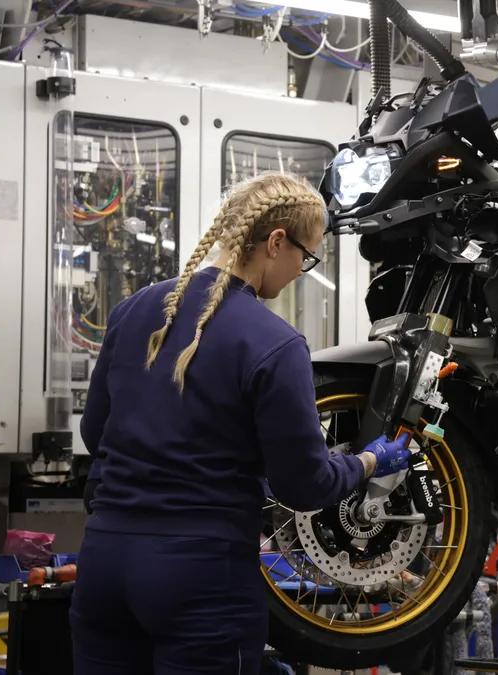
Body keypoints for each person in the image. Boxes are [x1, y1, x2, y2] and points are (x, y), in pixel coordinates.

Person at [71, 172, 410, 675]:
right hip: (200, 579)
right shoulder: (276, 344)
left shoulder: (134, 310)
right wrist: (367, 462)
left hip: (102, 566)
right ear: (276, 242)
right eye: (306, 256)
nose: (302, 270)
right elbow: (306, 484)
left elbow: (95, 434)